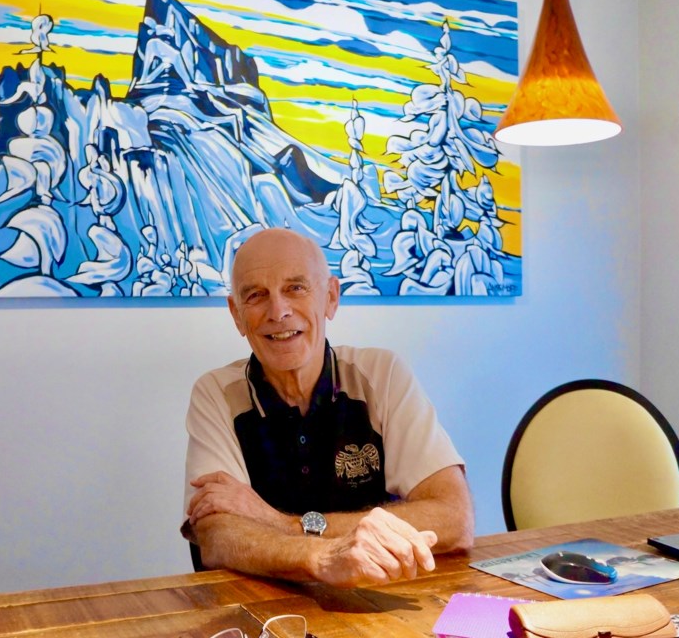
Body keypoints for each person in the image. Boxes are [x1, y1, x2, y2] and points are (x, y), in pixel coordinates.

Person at [180, 227, 474, 588]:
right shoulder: (215, 394)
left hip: (381, 601)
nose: (278, 311)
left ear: (331, 298)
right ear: (236, 314)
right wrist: (322, 557)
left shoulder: (382, 375)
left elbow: (453, 518)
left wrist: (284, 524)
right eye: (256, 295)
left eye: (296, 288)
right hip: (266, 609)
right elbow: (217, 535)